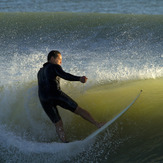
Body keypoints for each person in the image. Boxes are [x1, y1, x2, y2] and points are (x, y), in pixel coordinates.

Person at [37, 50, 104, 143]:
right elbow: (64, 75)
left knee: (58, 123)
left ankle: (64, 142)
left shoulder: (40, 72)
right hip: (55, 94)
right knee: (78, 110)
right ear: (52, 58)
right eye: (59, 59)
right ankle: (97, 124)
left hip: (43, 99)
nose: (60, 62)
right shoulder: (54, 66)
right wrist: (79, 78)